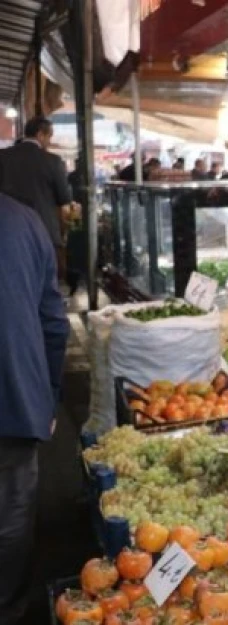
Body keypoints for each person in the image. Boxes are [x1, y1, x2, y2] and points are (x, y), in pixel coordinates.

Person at [0, 195, 69, 622]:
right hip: (15, 401)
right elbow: (54, 323)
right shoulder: (24, 221)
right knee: (10, 522)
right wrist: (48, 392)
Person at [0, 117, 76, 282]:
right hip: (44, 228)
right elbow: (64, 198)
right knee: (45, 280)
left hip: (7, 228)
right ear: (40, 134)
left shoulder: (3, 157)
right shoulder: (53, 161)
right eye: (49, 136)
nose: (49, 141)